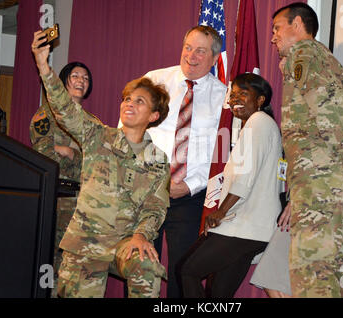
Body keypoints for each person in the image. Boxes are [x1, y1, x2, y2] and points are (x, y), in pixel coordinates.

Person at [31, 30, 171, 298]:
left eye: (139, 101)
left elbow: (155, 207)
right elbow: (65, 110)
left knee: (148, 266)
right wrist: (43, 65)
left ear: (153, 115)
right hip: (85, 242)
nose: (129, 104)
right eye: (127, 99)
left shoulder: (158, 160)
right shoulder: (97, 134)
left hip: (124, 243)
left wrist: (142, 235)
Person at [269, 3, 343, 297]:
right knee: (332, 274)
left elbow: (329, 111)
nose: (273, 37)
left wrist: (341, 159)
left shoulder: (302, 53)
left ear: (298, 24)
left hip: (318, 184)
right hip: (332, 185)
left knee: (311, 276)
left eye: (277, 28)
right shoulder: (336, 67)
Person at [118, 25, 227, 297]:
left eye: (200, 51)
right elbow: (127, 129)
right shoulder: (154, 81)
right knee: (138, 263)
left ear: (214, 59)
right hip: (145, 192)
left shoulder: (225, 97)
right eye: (187, 47)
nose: (191, 55)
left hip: (188, 198)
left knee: (183, 270)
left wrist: (190, 186)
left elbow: (222, 155)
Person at [180, 73, 283, 297]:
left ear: (260, 100)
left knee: (188, 271)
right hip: (255, 229)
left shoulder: (257, 122)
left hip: (244, 226)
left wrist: (221, 212)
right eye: (233, 93)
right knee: (219, 294)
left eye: (243, 93)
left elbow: (245, 178)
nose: (235, 98)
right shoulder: (260, 125)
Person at [29, 61, 92, 298]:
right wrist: (78, 157)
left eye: (85, 78)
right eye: (75, 75)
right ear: (64, 80)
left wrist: (68, 152)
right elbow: (44, 154)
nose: (80, 81)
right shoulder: (46, 114)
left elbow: (97, 162)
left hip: (84, 202)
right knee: (50, 261)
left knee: (77, 265)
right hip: (55, 198)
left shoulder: (92, 122)